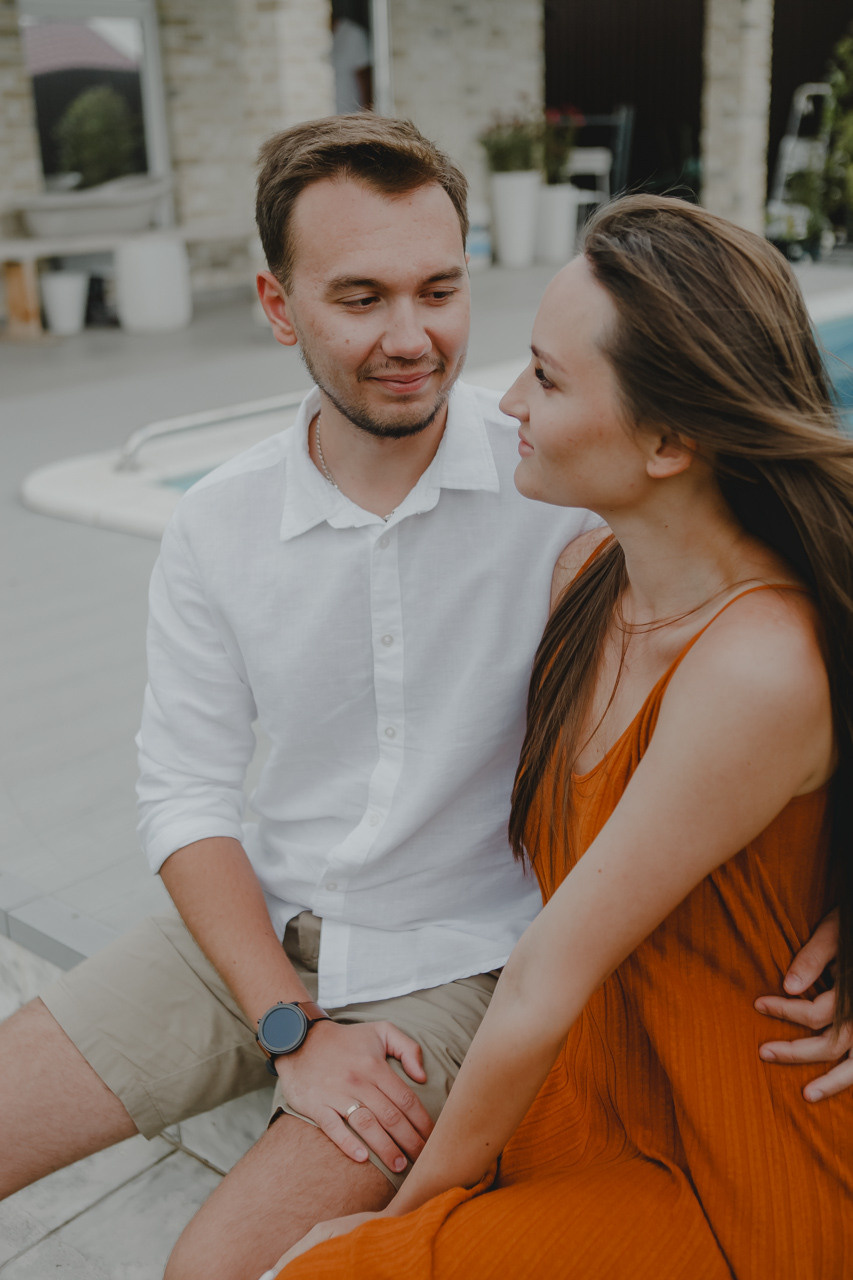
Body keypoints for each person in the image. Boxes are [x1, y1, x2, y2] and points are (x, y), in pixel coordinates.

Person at [0, 121, 844, 1279]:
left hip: (458, 960)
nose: (414, 338)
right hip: (257, 926)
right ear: (276, 302)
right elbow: (185, 791)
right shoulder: (221, 520)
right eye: (360, 297)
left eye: (440, 289)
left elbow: (786, 623)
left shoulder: (566, 485)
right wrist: (283, 1022)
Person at [272, 195, 853, 1279]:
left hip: (728, 1159)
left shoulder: (755, 661)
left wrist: (402, 1221)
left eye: (545, 376)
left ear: (670, 439)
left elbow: (545, 973)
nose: (504, 400)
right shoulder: (588, 578)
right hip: (593, 1087)